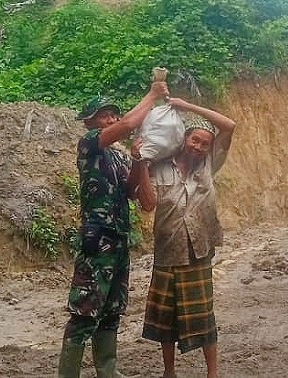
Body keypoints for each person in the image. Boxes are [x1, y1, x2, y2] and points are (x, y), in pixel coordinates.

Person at [57, 79, 169, 378]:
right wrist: (153, 94)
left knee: (112, 310)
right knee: (84, 311)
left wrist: (137, 160)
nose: (113, 119)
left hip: (119, 240)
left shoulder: (118, 155)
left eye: (114, 114)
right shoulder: (90, 144)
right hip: (98, 238)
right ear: (90, 121)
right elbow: (131, 122)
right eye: (106, 114)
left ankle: (107, 371)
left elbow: (135, 193)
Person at [135, 99, 235, 378]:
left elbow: (229, 125)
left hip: (199, 250)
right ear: (184, 139)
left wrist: (185, 104)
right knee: (166, 319)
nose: (199, 147)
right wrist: (142, 163)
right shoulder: (160, 167)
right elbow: (147, 203)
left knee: (203, 315)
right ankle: (169, 372)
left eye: (204, 143)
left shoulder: (209, 165)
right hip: (168, 250)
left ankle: (212, 373)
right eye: (195, 140)